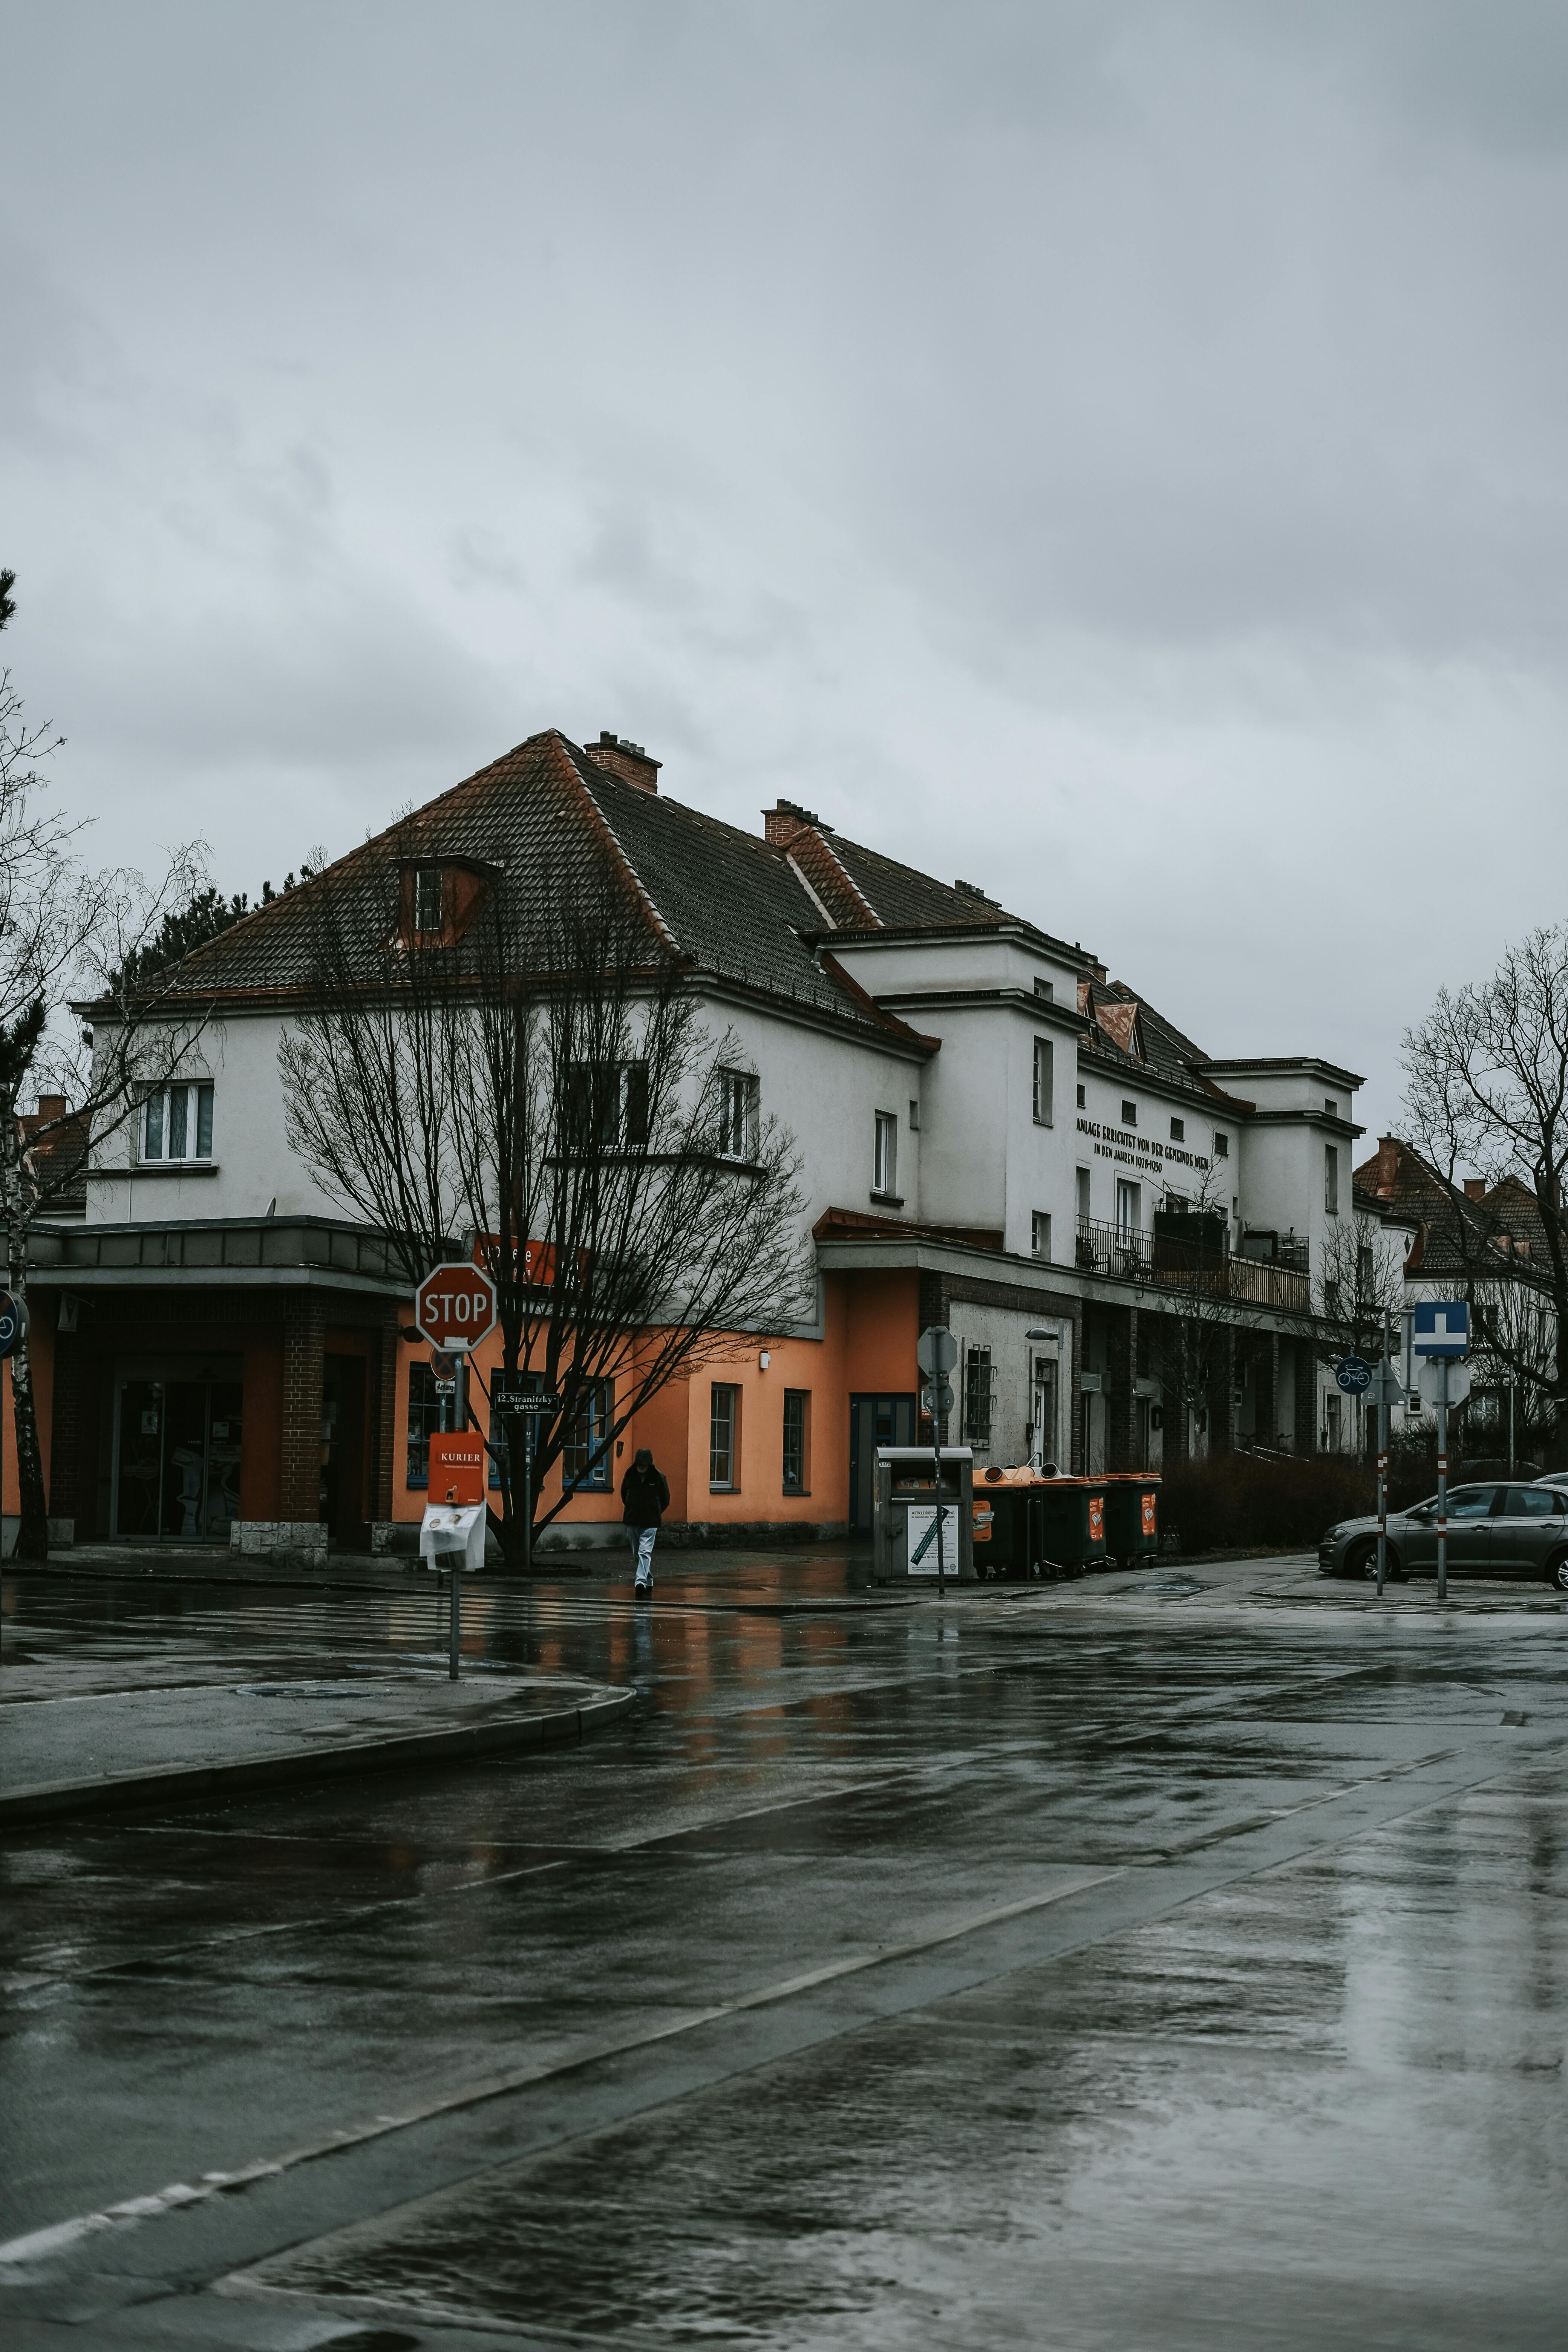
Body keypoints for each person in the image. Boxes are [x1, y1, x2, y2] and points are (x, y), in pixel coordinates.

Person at [620, 1447, 669, 1596]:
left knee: (645, 1551)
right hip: (632, 1520)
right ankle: (648, 1578)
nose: (641, 1468)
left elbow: (665, 1499)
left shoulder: (658, 1477)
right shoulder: (630, 1476)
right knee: (637, 1553)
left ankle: (640, 1581)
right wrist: (631, 1509)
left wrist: (655, 1513)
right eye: (639, 1465)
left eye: (644, 1466)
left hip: (651, 1522)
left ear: (649, 1465)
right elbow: (624, 1495)